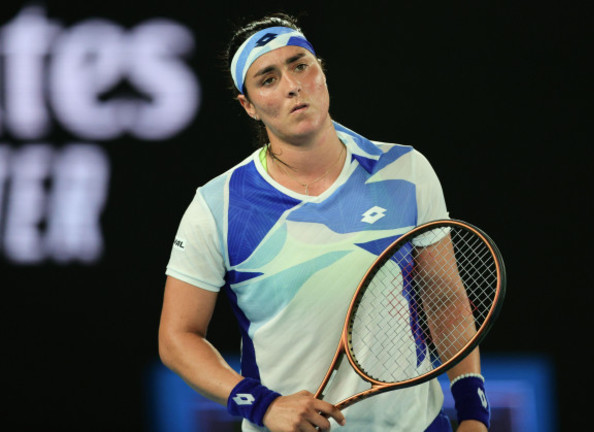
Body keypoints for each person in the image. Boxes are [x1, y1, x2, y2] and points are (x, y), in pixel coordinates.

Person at [158, 12, 491, 432]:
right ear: (249, 107)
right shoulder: (217, 206)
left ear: (322, 73)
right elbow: (177, 338)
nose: (293, 85)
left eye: (300, 65)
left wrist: (474, 415)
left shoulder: (405, 171)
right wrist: (262, 406)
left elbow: (444, 300)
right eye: (268, 79)